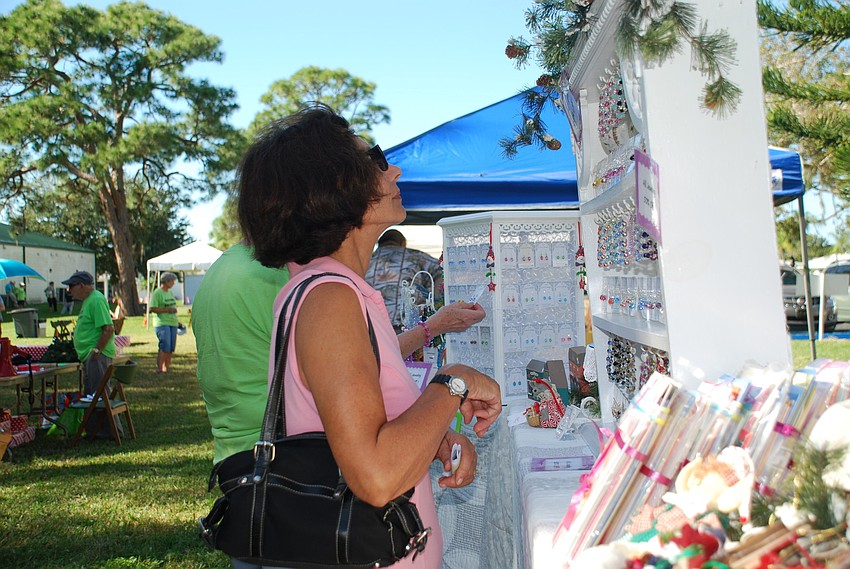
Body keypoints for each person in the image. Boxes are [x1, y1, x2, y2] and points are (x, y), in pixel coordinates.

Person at [237, 106, 502, 569]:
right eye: (375, 160)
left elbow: (356, 425)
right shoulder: (330, 298)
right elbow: (376, 476)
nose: (393, 170)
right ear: (332, 186)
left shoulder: (330, 289)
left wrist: (427, 435)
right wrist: (453, 381)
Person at [194, 242, 485, 465]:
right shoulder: (281, 276)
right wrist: (434, 329)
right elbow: (362, 360)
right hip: (288, 458)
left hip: (237, 456)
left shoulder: (222, 267)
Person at [63, 270, 119, 437]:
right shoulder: (89, 300)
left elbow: (108, 328)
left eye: (71, 286)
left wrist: (96, 350)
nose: (69, 290)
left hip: (96, 356)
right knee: (93, 395)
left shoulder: (95, 300)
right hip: (91, 355)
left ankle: (109, 432)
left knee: (98, 396)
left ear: (82, 285)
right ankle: (96, 431)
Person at [366, 229, 444, 332]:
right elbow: (442, 269)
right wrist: (433, 300)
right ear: (402, 243)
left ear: (379, 244)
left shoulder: (367, 260)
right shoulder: (416, 256)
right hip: (407, 325)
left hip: (373, 327)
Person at [149, 272, 179, 373]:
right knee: (165, 345)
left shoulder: (170, 293)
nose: (173, 283)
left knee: (171, 347)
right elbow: (152, 308)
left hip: (172, 322)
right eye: (172, 281)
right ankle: (160, 368)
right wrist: (167, 310)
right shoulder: (157, 293)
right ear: (166, 281)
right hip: (162, 323)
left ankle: (167, 367)